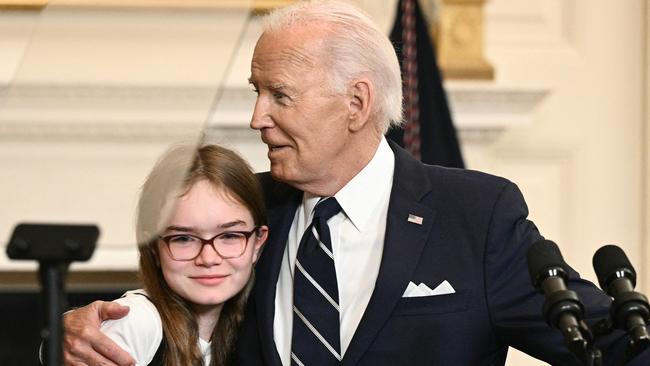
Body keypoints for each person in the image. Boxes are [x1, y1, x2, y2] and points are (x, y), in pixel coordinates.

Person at [60, 1, 649, 365]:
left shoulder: (476, 214)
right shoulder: (250, 210)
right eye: (256, 92)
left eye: (280, 95)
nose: (257, 117)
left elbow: (614, 343)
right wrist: (89, 328)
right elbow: (179, 293)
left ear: (356, 102)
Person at [82, 144, 268, 366]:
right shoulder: (136, 321)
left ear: (257, 241)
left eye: (229, 236)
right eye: (184, 239)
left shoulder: (248, 332)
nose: (208, 259)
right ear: (153, 247)